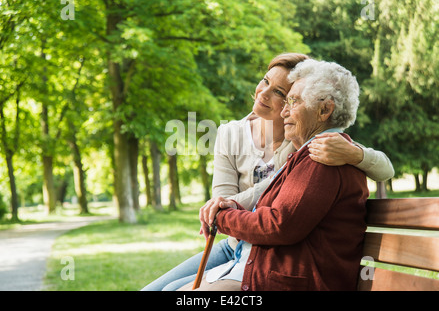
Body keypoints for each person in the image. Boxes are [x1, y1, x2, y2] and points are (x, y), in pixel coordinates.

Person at [141, 53, 394, 291]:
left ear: (324, 110)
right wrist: (224, 208)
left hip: (265, 256)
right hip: (240, 246)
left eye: (288, 99)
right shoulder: (282, 142)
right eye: (265, 81)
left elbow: (279, 223)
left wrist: (356, 154)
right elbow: (268, 201)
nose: (271, 99)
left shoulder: (323, 150)